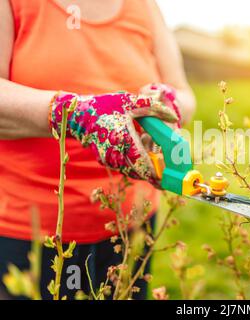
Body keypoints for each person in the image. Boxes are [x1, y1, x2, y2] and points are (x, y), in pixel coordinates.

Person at [0, 0, 196, 300]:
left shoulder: (144, 6)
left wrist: (167, 103)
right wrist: (75, 113)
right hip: (26, 231)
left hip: (133, 223)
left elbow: (183, 91)